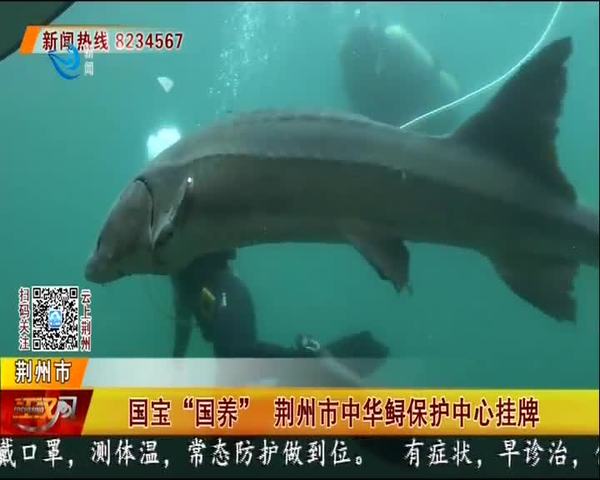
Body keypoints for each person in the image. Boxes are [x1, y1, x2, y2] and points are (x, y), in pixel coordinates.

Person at [170, 250, 389, 380]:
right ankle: (319, 356)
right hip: (222, 314)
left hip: (228, 289)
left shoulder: (179, 246)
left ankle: (310, 357)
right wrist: (176, 360)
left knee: (236, 355)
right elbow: (182, 316)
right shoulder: (176, 274)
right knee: (232, 369)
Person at [339, 21, 461, 135]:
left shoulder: (399, 43)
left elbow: (436, 83)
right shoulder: (351, 62)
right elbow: (357, 106)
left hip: (433, 108)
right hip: (392, 113)